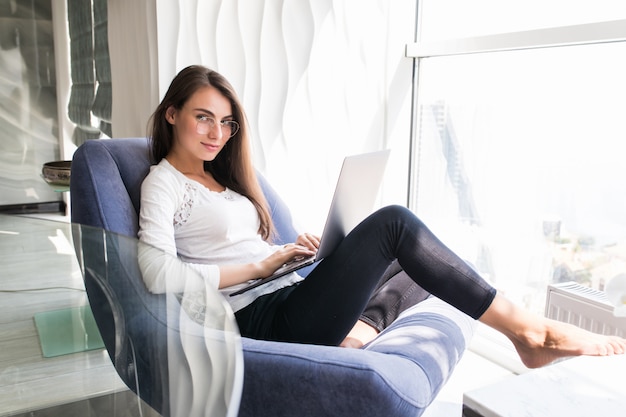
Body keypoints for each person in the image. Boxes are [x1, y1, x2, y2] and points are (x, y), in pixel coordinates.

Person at [138, 65, 626, 369]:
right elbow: (157, 275)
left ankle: (356, 336)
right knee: (396, 224)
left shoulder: (222, 182)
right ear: (172, 114)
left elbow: (231, 245)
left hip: (285, 288)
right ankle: (530, 333)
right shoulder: (164, 183)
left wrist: (283, 253)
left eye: (226, 122)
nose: (217, 132)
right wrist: (261, 267)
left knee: (425, 259)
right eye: (204, 116)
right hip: (259, 318)